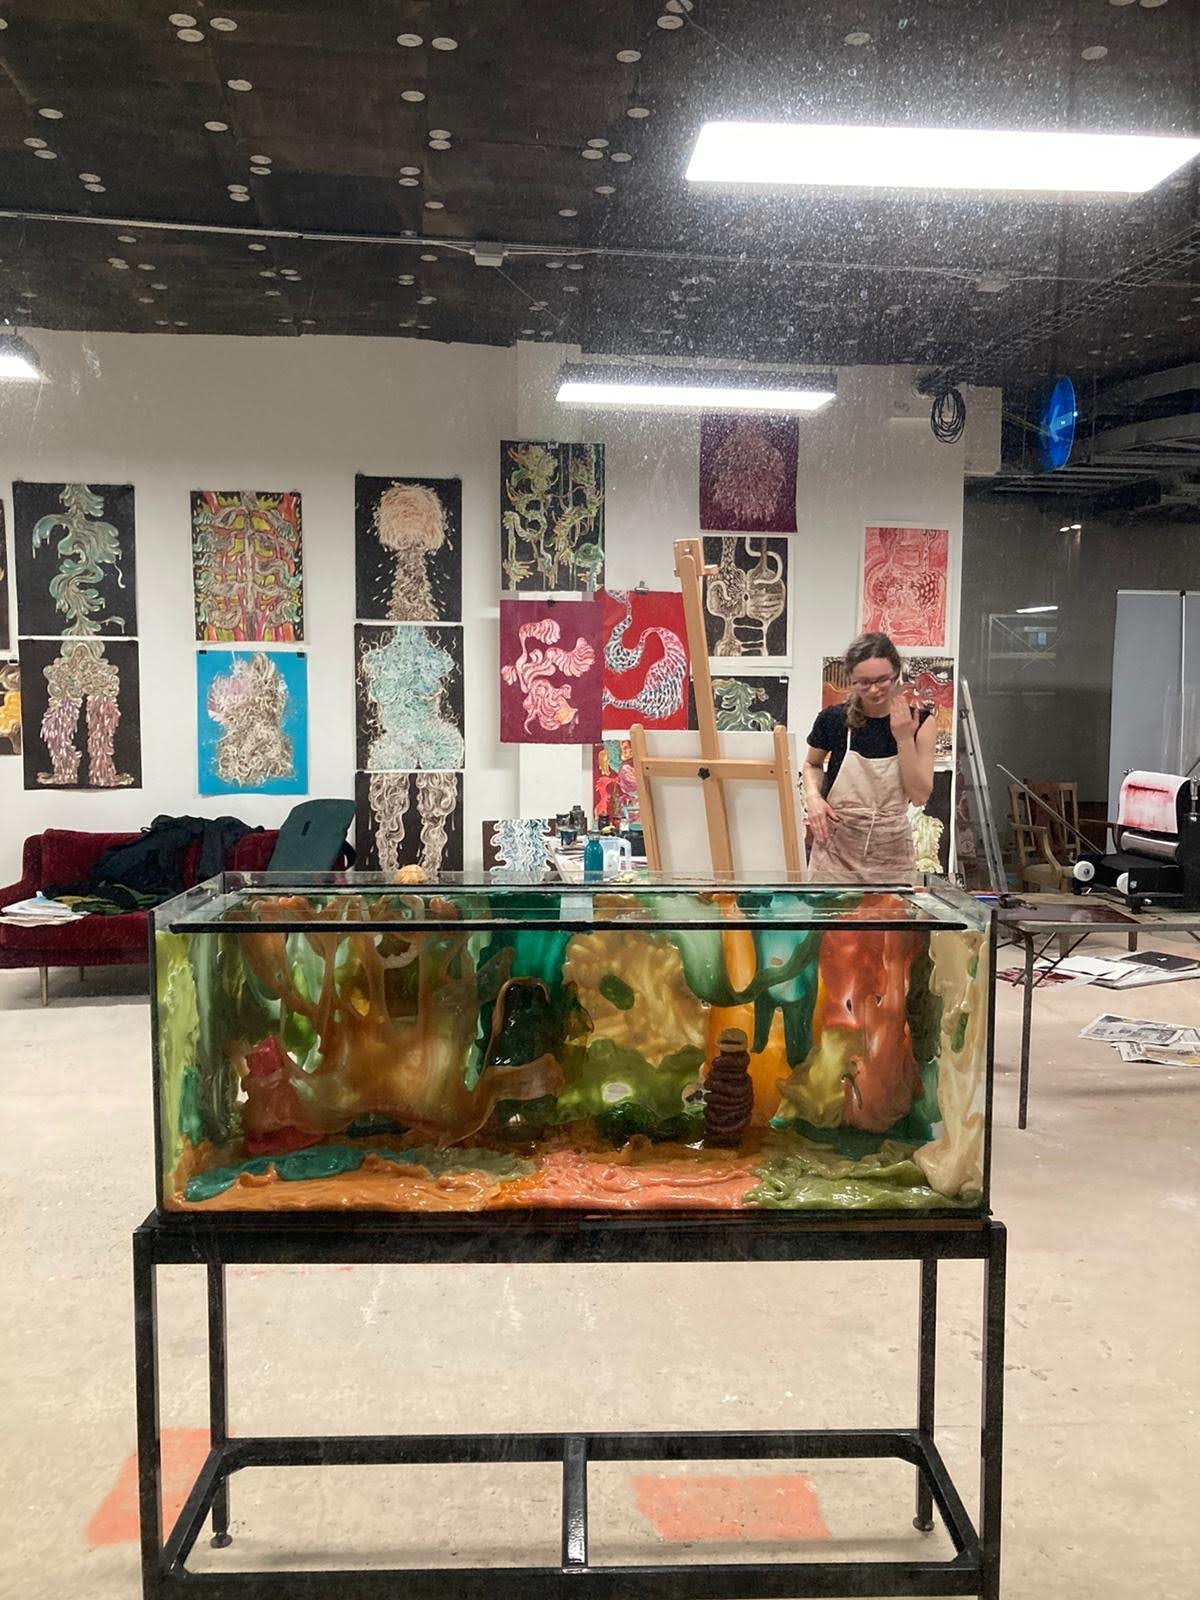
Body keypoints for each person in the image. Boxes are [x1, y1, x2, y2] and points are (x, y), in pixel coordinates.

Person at [803, 632, 936, 884]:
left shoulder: (921, 723)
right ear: (851, 680)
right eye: (863, 683)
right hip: (836, 852)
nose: (874, 690)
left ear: (896, 673)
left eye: (882, 680)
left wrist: (904, 739)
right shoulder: (833, 719)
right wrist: (813, 798)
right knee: (831, 910)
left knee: (889, 910)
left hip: (891, 853)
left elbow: (919, 796)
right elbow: (812, 764)